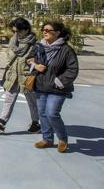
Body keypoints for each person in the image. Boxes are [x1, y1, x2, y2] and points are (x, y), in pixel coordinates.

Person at [28, 21, 79, 153]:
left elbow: (72, 69)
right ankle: (47, 139)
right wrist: (35, 65)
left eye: (48, 30)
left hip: (57, 88)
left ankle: (62, 139)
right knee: (42, 113)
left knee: (52, 113)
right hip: (41, 85)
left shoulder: (66, 50)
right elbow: (29, 59)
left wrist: (59, 81)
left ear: (57, 33)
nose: (44, 31)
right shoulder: (39, 46)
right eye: (43, 29)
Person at [0, 17, 40, 133]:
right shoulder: (13, 41)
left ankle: (35, 123)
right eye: (14, 31)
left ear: (26, 29)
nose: (16, 34)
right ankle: (1, 123)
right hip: (13, 75)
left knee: (32, 102)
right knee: (9, 99)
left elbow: (36, 62)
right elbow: (10, 58)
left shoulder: (34, 44)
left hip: (27, 77)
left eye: (19, 31)